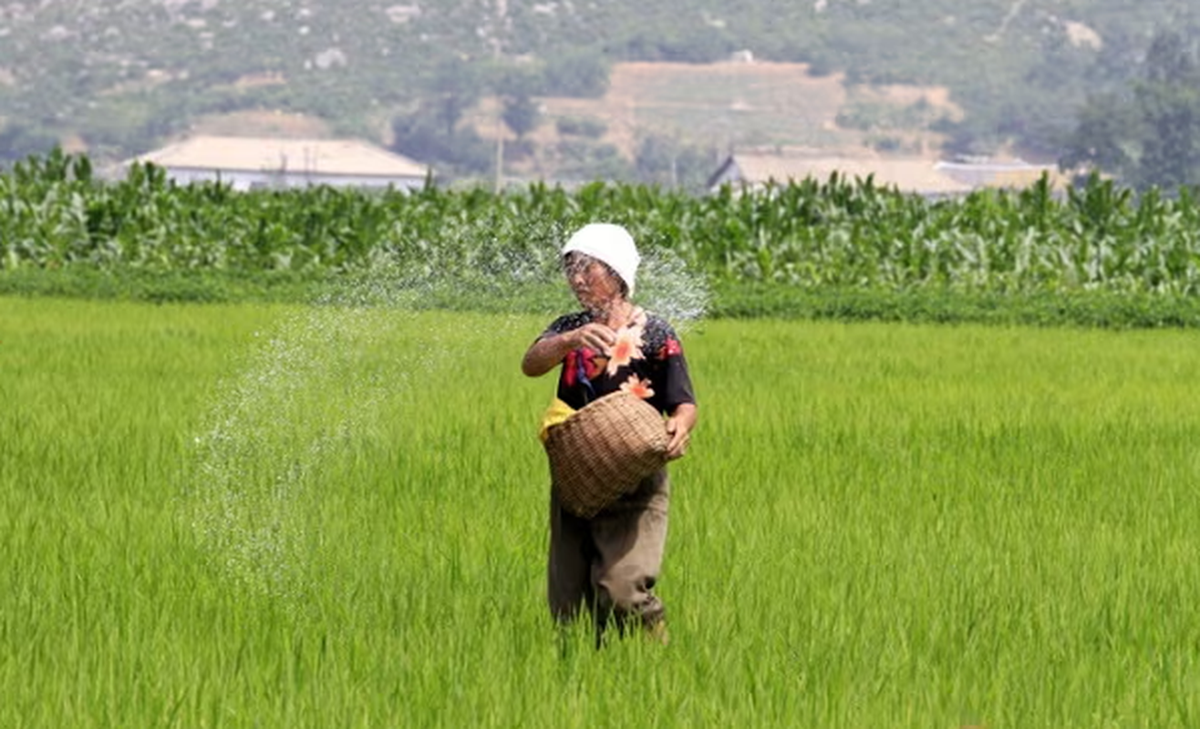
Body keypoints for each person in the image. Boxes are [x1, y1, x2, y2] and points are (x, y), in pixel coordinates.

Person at [521, 223, 698, 645]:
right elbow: (531, 363)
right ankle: (586, 680)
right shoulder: (570, 327)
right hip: (576, 476)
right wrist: (571, 339)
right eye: (571, 269)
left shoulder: (656, 332)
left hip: (636, 479)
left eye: (588, 268)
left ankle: (657, 648)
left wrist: (680, 426)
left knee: (622, 590)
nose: (577, 279)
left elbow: (683, 402)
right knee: (569, 607)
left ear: (617, 274)